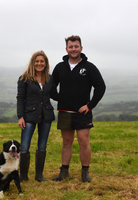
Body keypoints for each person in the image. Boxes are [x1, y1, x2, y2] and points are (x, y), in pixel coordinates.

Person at [52, 35, 106, 182]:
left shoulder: (89, 67)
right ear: (66, 49)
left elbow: (100, 86)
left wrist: (90, 105)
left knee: (83, 141)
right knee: (66, 142)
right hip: (65, 111)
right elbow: (51, 87)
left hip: (83, 112)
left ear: (81, 48)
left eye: (76, 46)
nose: (73, 49)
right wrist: (60, 98)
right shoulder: (59, 67)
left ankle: (85, 172)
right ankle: (64, 171)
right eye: (71, 47)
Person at [16, 50, 57, 182]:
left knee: (42, 146)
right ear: (33, 63)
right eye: (37, 61)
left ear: (46, 64)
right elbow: (20, 98)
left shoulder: (50, 79)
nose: (39, 63)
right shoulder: (24, 78)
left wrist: (71, 97)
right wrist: (20, 116)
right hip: (29, 116)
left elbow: (54, 95)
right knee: (24, 146)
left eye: (42, 61)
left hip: (46, 115)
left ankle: (39, 176)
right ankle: (23, 176)